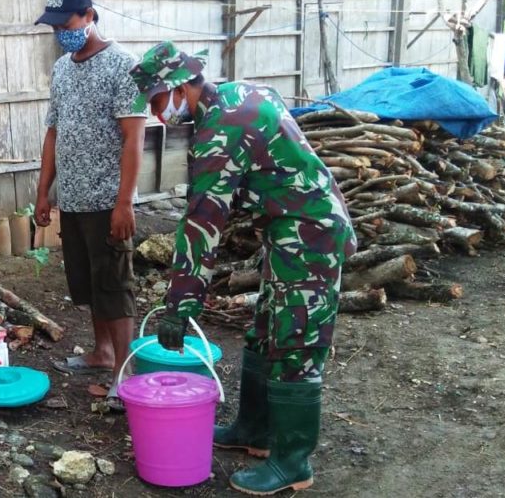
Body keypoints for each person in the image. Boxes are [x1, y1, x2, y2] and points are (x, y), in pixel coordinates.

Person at [129, 41, 356, 495]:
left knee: (295, 342)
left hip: (311, 237)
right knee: (265, 329)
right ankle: (254, 430)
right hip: (290, 233)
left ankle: (292, 462)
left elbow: (202, 223)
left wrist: (180, 306)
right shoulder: (237, 94)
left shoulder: (220, 130)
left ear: (179, 88)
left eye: (156, 101)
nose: (156, 114)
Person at [32, 0, 146, 409]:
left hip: (107, 201)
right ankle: (101, 353)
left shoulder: (124, 66)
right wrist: (44, 192)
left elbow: (134, 139)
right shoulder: (62, 68)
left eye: (67, 24)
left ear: (90, 16)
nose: (61, 33)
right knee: (88, 284)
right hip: (74, 198)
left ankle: (123, 374)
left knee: (114, 286)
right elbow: (53, 133)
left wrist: (124, 202)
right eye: (55, 27)